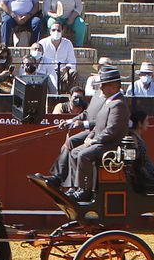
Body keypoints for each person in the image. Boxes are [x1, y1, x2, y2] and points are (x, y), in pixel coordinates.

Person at [45, 64, 126, 201]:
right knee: (74, 150)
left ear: (113, 86)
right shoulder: (106, 99)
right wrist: (80, 127)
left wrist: (93, 139)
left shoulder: (117, 103)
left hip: (110, 144)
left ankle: (85, 191)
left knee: (83, 154)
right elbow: (93, 118)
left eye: (103, 84)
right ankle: (74, 186)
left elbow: (111, 130)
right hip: (97, 136)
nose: (100, 87)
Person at [35, 19, 77, 91]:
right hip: (47, 72)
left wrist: (66, 68)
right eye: (53, 30)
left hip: (62, 72)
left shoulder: (68, 43)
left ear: (62, 32)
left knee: (73, 73)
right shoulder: (42, 43)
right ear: (50, 31)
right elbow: (39, 59)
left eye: (58, 30)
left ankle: (68, 94)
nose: (56, 32)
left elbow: (72, 61)